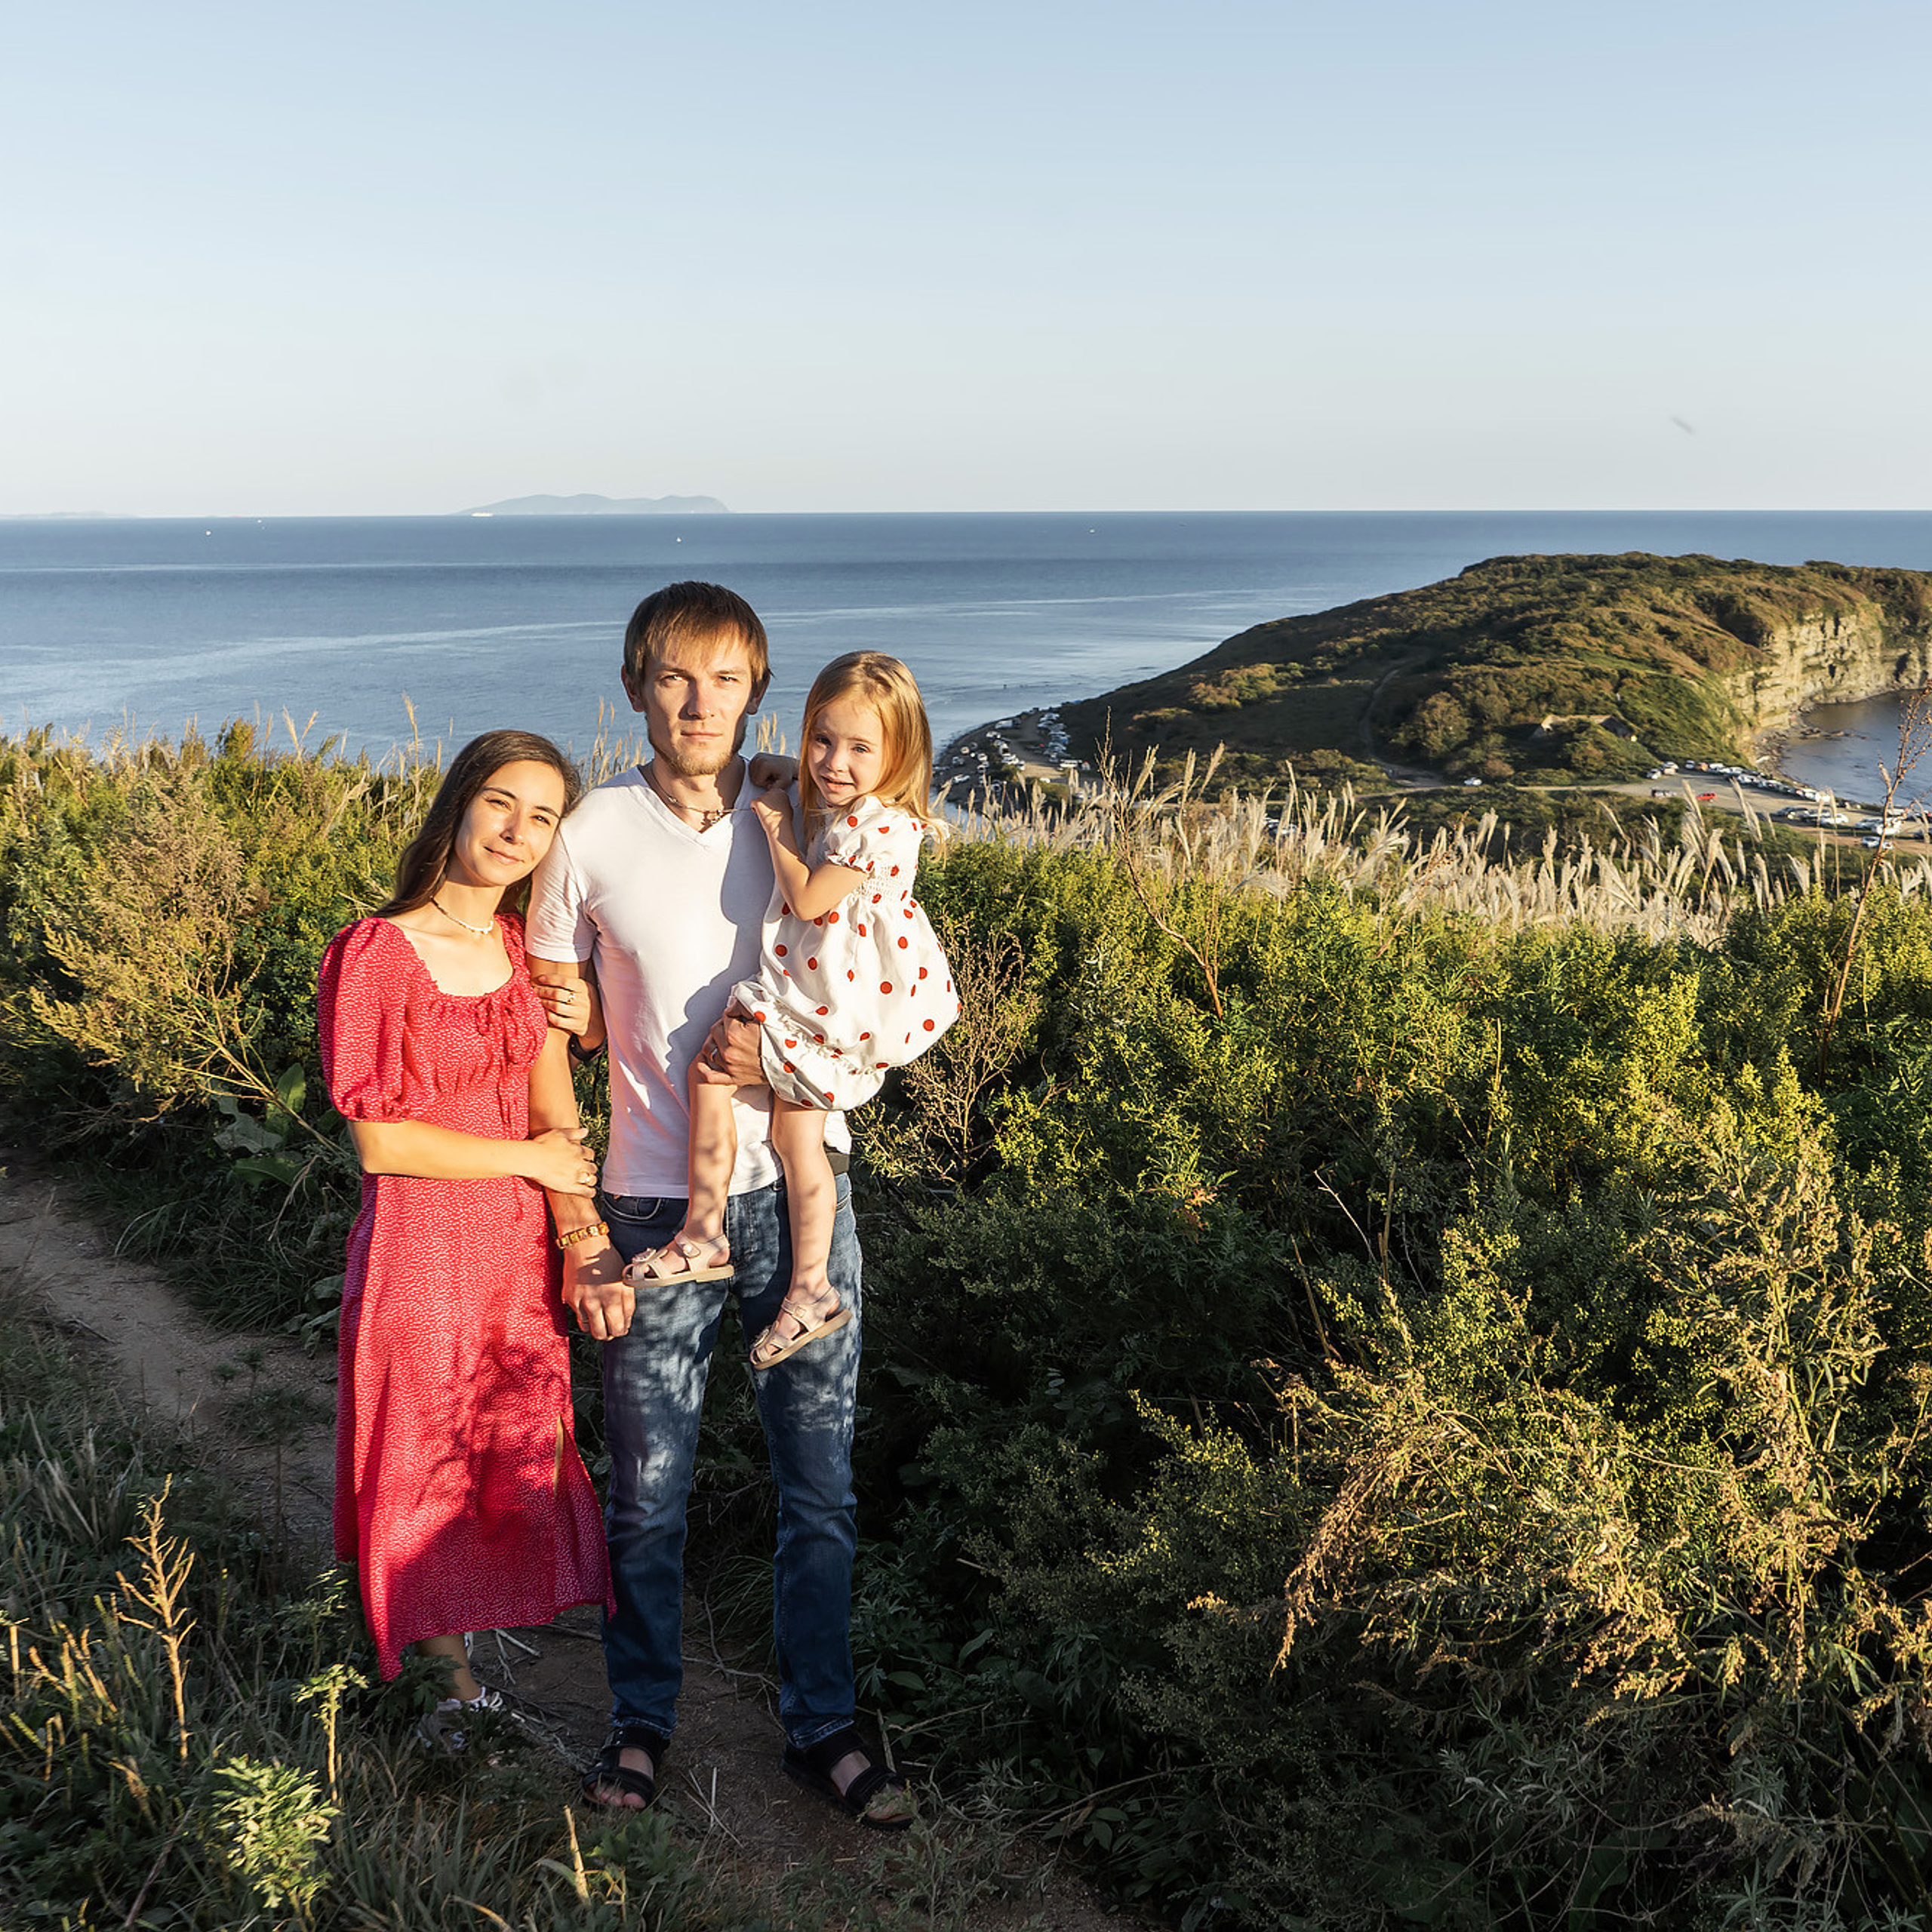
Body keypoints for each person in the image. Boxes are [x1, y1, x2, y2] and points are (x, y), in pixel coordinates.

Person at [525, 582, 915, 1827]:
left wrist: (790, 1068)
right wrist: (576, 1217)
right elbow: (547, 1022)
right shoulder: (586, 834)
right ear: (636, 687)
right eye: (675, 678)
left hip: (802, 1204)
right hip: (650, 1206)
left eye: (729, 679)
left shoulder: (808, 813)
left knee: (821, 1489)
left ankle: (823, 1725)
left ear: (760, 691)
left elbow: (876, 993)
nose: (702, 702)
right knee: (649, 1492)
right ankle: (640, 1727)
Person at [317, 731, 612, 1751]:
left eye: (541, 819)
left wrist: (581, 1235)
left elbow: (555, 1116)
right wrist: (529, 1167)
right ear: (457, 805)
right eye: (500, 803)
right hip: (418, 1242)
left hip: (514, 1249)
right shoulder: (377, 950)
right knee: (420, 1441)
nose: (517, 832)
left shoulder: (527, 952)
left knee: (508, 1434)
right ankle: (438, 1680)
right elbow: (379, 1139)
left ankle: (467, 1647)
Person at [632, 651, 958, 1370]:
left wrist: (775, 818)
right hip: (807, 989)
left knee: (796, 1141)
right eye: (822, 740)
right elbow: (799, 775)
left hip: (826, 1007)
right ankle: (707, 1234)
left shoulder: (880, 828)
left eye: (860, 748)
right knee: (717, 1081)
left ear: (898, 754)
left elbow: (810, 898)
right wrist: (783, 769)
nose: (835, 762)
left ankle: (807, 1286)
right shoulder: (851, 807)